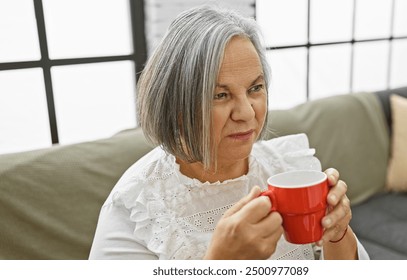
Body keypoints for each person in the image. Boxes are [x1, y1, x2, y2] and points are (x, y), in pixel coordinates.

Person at [89, 5, 369, 260]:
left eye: (255, 88)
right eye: (220, 95)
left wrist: (339, 234)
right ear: (175, 104)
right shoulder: (136, 208)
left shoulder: (288, 168)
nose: (247, 113)